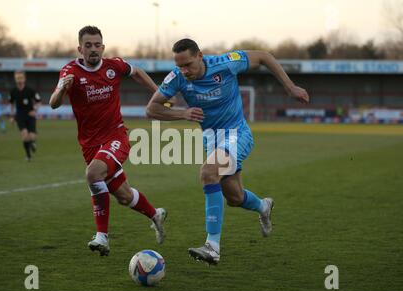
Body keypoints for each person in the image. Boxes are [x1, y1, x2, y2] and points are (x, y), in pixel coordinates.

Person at [146, 39, 309, 265]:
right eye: (180, 65)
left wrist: (290, 87)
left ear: (200, 55)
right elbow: (151, 109)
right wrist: (182, 113)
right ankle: (264, 206)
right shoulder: (177, 78)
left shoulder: (226, 63)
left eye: (188, 64)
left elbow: (264, 56)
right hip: (212, 140)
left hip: (237, 133)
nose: (184, 70)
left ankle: (212, 247)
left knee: (208, 173)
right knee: (234, 197)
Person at [49, 26, 168, 257]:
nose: (93, 50)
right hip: (90, 145)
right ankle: (156, 214)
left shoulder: (114, 66)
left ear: (103, 47)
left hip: (116, 137)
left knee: (93, 174)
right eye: (88, 45)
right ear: (80, 48)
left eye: (97, 45)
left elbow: (137, 72)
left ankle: (102, 237)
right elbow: (54, 103)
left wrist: (158, 94)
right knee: (124, 196)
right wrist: (63, 89)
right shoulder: (69, 71)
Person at [9, 71, 41, 161]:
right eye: (17, 78)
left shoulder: (30, 90)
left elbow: (39, 101)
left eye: (21, 78)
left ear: (24, 79)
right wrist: (11, 116)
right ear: (15, 79)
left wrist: (34, 110)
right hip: (20, 116)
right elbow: (11, 104)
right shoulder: (13, 91)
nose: (19, 80)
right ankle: (28, 156)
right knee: (24, 136)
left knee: (31, 136)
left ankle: (33, 142)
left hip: (30, 116)